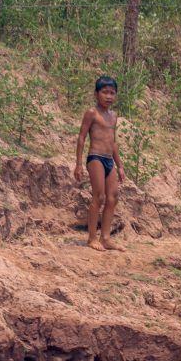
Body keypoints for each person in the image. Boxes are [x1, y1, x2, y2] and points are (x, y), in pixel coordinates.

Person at [73, 76, 126, 252]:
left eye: (112, 93)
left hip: (109, 160)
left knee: (113, 197)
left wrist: (120, 166)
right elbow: (81, 137)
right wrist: (79, 164)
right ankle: (91, 238)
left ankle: (105, 238)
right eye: (104, 92)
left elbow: (113, 142)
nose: (108, 96)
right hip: (95, 157)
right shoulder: (91, 113)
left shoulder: (113, 116)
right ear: (96, 94)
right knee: (99, 196)